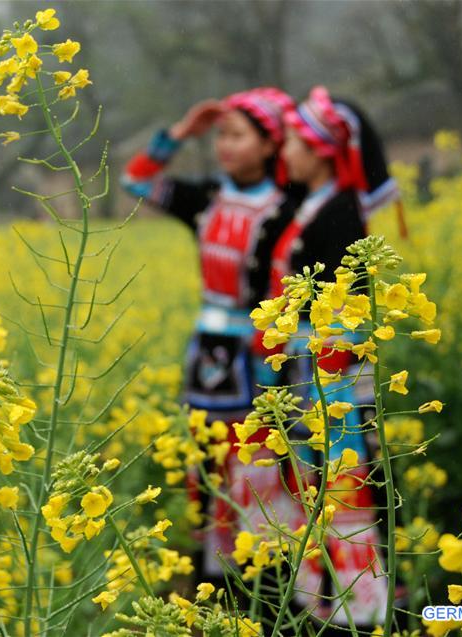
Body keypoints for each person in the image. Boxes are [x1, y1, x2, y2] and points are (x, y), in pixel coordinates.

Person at [121, 88, 302, 584]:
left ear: (271, 144)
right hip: (208, 355)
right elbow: (134, 181)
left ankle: (268, 575)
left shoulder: (291, 206)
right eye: (220, 136)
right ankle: (215, 577)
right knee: (207, 463)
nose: (224, 146)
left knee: (261, 461)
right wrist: (179, 133)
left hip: (264, 353)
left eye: (238, 136)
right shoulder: (206, 198)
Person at [266, 85, 405, 630]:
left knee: (345, 482)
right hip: (312, 372)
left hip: (335, 378)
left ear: (321, 150)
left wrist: (319, 370)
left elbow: (347, 309)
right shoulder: (315, 205)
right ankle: (326, 599)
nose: (286, 154)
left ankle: (361, 609)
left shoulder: (341, 212)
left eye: (295, 143)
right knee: (318, 484)